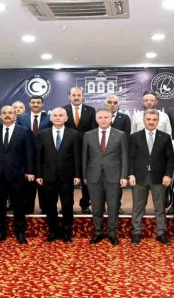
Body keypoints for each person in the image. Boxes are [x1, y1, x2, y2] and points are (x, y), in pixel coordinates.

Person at [0, 106, 35, 244]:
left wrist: (30, 171)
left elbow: (29, 152)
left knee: (18, 204)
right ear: (0, 116)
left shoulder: (24, 131)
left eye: (10, 113)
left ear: (15, 116)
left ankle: (20, 232)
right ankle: (0, 232)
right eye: (4, 113)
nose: (7, 115)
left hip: (17, 174)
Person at [82, 108, 129, 245]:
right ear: (96, 119)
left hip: (114, 176)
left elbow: (124, 156)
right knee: (96, 206)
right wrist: (84, 175)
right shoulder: (88, 135)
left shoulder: (120, 134)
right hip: (93, 176)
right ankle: (98, 232)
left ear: (110, 119)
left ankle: (112, 233)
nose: (103, 120)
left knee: (113, 206)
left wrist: (124, 175)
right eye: (100, 117)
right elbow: (85, 157)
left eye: (106, 117)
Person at [35, 107, 81, 243]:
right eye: (55, 115)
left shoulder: (74, 134)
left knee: (67, 205)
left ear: (66, 118)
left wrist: (77, 175)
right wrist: (39, 175)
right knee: (50, 206)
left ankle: (67, 232)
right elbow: (39, 156)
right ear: (51, 118)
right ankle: (53, 231)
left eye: (61, 115)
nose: (58, 117)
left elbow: (77, 156)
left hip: (67, 176)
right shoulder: (42, 134)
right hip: (48, 176)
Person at [128, 109, 174, 244]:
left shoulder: (165, 137)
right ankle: (137, 232)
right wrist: (131, 174)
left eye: (154, 120)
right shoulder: (134, 137)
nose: (151, 122)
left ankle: (161, 233)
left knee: (160, 208)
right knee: (138, 207)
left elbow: (170, 159)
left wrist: (168, 175)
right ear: (144, 120)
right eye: (148, 119)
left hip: (159, 178)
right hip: (139, 177)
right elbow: (130, 158)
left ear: (158, 121)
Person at [64, 86, 97, 214]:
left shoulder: (91, 110)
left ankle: (85, 204)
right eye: (74, 95)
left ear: (83, 96)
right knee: (68, 181)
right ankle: (68, 205)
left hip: (86, 151)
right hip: (68, 151)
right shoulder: (63, 110)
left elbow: (93, 131)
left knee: (85, 180)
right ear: (69, 96)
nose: (76, 97)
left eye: (79, 95)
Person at [16, 95, 51, 214]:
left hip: (45, 156)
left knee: (43, 183)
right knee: (28, 184)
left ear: (42, 104)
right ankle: (28, 207)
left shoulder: (49, 118)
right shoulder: (21, 118)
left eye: (38, 102)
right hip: (26, 156)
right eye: (33, 102)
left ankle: (45, 207)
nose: (35, 104)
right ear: (29, 104)